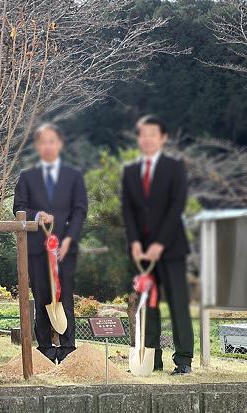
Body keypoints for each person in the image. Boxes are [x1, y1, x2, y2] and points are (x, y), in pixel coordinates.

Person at [121, 114, 193, 375]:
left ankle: (183, 361)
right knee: (147, 306)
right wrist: (136, 245)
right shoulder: (130, 172)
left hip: (171, 249)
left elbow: (176, 207)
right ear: (139, 138)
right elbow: (127, 212)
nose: (148, 138)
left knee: (177, 305)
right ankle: (151, 360)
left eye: (153, 134)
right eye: (143, 134)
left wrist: (159, 243)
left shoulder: (175, 168)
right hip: (142, 253)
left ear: (163, 138)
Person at [13, 123, 88, 363]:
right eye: (43, 142)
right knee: (43, 296)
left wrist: (69, 239)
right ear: (37, 146)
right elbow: (19, 208)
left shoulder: (74, 176)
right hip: (37, 249)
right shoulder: (27, 177)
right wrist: (37, 216)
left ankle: (67, 349)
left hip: (64, 249)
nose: (48, 146)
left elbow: (80, 210)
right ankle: (45, 349)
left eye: (52, 141)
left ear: (59, 144)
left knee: (64, 297)